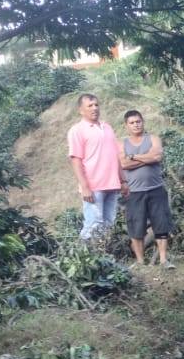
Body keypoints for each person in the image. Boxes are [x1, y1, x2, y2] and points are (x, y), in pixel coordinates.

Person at [119, 110, 176, 267]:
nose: (136, 124)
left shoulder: (153, 139)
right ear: (126, 125)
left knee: (161, 224)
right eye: (132, 122)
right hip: (133, 192)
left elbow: (157, 156)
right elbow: (123, 164)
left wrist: (133, 157)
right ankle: (140, 262)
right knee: (136, 227)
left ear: (143, 122)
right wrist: (146, 158)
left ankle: (164, 259)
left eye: (138, 121)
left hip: (156, 189)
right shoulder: (121, 143)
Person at [67, 93, 126, 242]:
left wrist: (123, 180)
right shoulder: (77, 130)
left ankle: (103, 260)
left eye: (96, 105)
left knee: (108, 223)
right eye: (90, 106)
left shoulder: (107, 127)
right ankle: (83, 259)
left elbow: (115, 156)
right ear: (81, 110)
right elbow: (76, 160)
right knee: (93, 224)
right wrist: (85, 187)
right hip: (93, 187)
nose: (95, 108)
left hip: (112, 185)